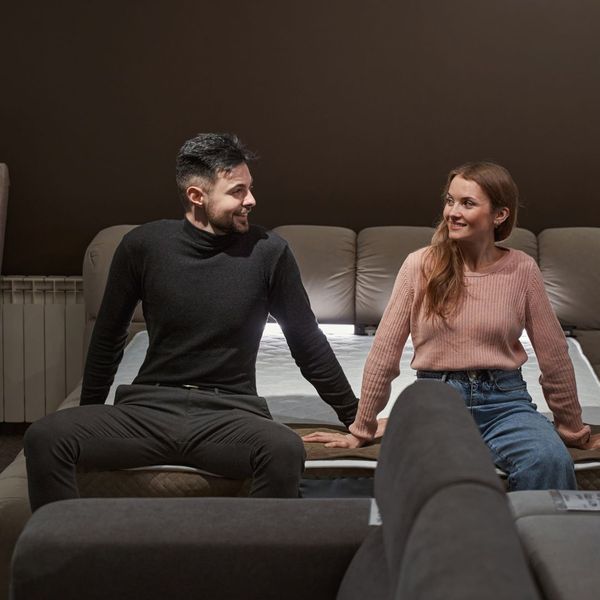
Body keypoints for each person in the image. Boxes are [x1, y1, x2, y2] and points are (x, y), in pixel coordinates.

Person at [24, 133, 359, 510]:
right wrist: (89, 414)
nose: (251, 200)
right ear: (197, 196)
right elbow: (108, 337)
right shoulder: (143, 246)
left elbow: (307, 342)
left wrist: (354, 418)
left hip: (230, 414)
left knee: (282, 448)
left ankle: (254, 560)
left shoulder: (269, 252)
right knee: (44, 436)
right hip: (148, 409)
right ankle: (63, 552)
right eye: (237, 191)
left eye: (250, 188)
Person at [304, 161, 600, 490]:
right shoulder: (420, 264)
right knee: (432, 468)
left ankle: (530, 541)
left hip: (505, 402)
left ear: (499, 215)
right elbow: (385, 352)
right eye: (449, 200)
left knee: (550, 460)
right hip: (437, 399)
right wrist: (362, 428)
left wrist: (574, 432)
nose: (452, 212)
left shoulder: (522, 270)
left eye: (467, 203)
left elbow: (554, 355)